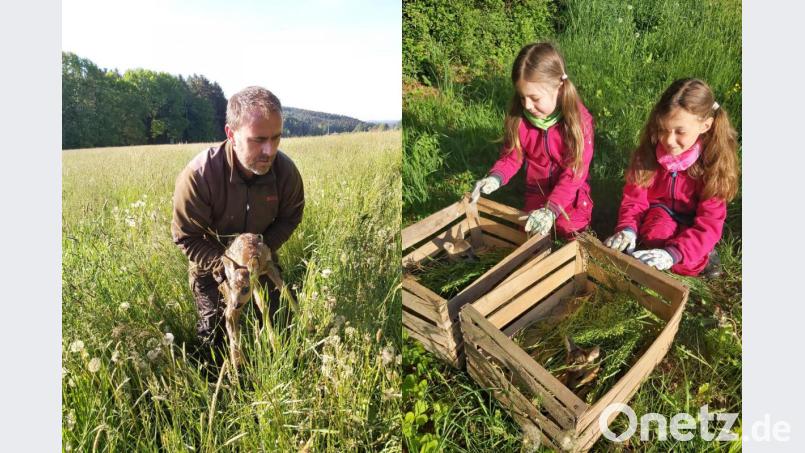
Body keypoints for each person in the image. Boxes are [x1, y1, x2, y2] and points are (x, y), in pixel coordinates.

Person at [171, 86, 305, 357]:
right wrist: (226, 266)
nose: (269, 150)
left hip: (261, 260)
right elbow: (186, 236)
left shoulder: (286, 172)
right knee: (214, 338)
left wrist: (263, 250)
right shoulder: (200, 175)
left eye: (276, 138)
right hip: (212, 266)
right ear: (231, 134)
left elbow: (291, 216)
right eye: (258, 140)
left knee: (280, 327)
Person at [603, 78, 739, 277]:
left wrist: (674, 253)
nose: (668, 140)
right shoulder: (648, 154)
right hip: (661, 213)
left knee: (685, 263)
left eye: (680, 132)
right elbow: (634, 200)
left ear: (706, 125)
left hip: (694, 222)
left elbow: (710, 222)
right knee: (652, 240)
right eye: (663, 130)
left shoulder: (713, 164)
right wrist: (628, 228)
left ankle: (706, 254)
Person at [471, 42, 595, 239]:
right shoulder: (519, 119)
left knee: (570, 233)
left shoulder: (578, 123)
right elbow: (512, 157)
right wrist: (495, 177)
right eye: (522, 97)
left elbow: (575, 173)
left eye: (535, 98)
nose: (527, 105)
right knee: (530, 235)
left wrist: (552, 209)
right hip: (536, 191)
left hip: (572, 195)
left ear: (559, 87)